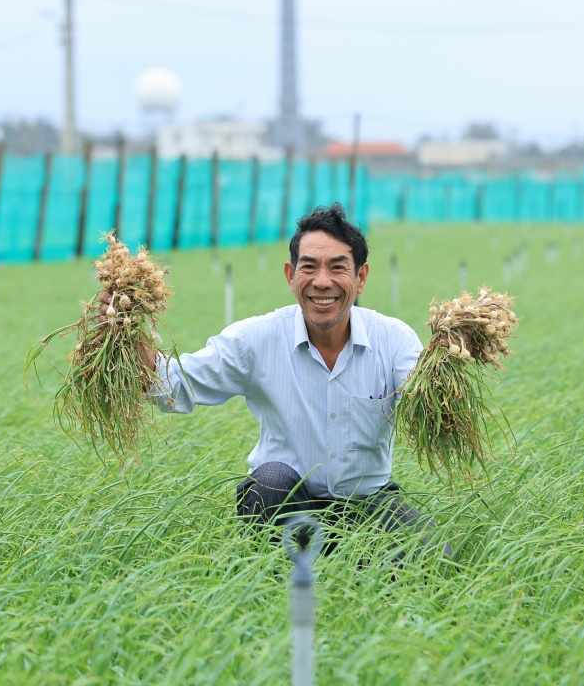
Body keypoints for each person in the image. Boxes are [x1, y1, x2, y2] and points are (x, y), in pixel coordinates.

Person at [125, 203, 450, 559]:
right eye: (308, 267)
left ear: (361, 277)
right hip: (287, 499)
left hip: (368, 502)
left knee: (436, 557)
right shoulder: (257, 338)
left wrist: (448, 368)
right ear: (290, 275)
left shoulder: (394, 340)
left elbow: (431, 406)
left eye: (338, 267)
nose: (322, 281)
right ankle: (278, 580)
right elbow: (175, 384)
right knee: (270, 481)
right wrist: (122, 328)